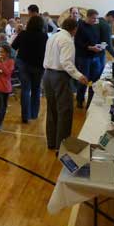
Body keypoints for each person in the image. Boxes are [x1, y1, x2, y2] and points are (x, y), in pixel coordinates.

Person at [42, 18, 88, 150]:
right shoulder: (67, 40)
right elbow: (66, 63)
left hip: (47, 75)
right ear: (74, 29)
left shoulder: (53, 36)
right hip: (60, 76)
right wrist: (79, 76)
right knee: (65, 111)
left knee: (52, 110)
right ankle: (62, 146)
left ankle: (52, 143)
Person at [12, 15, 48, 123]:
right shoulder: (44, 36)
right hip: (38, 66)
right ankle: (34, 114)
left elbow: (13, 47)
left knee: (26, 90)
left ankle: (25, 116)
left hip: (24, 64)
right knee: (36, 90)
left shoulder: (23, 34)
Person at [74, 9, 104, 108]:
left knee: (94, 80)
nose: (95, 20)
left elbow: (95, 39)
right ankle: (80, 99)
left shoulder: (94, 26)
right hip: (83, 57)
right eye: (93, 18)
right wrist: (90, 47)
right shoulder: (80, 26)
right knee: (83, 79)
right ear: (88, 16)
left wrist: (99, 46)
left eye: (96, 18)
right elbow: (77, 42)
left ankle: (90, 101)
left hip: (94, 57)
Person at [0, 44, 15, 131]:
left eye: (2, 52)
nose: (0, 53)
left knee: (4, 105)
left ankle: (0, 121)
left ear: (7, 53)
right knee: (0, 105)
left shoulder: (11, 62)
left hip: (6, 86)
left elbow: (8, 73)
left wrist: (2, 63)